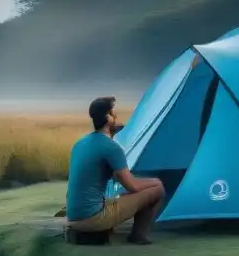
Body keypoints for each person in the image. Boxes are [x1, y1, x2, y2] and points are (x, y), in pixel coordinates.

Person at [65, 96, 165, 244]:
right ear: (108, 118)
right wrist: (154, 181)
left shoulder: (81, 143)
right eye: (113, 114)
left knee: (121, 196)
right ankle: (138, 236)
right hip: (92, 218)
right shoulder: (111, 147)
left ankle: (102, 231)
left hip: (73, 216)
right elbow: (132, 185)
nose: (116, 117)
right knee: (157, 189)